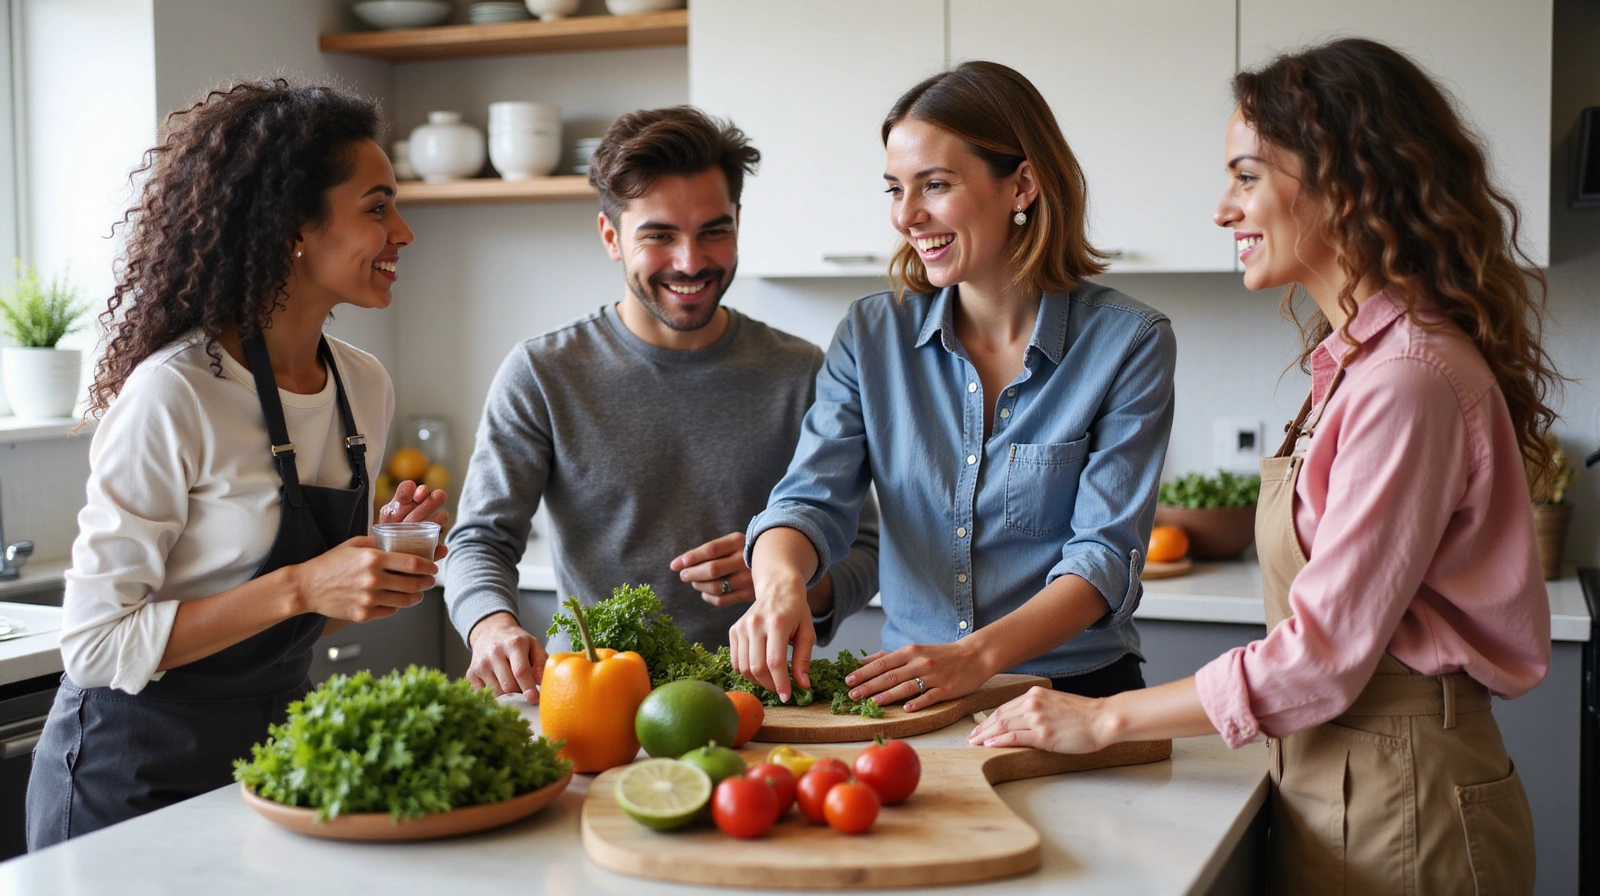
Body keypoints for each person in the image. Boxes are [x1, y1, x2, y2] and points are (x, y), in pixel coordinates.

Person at [970, 39, 1552, 894]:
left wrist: (1101, 720)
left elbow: (1319, 657)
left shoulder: (1407, 383)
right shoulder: (1355, 364)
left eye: (1247, 176)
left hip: (1405, 797)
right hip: (1345, 776)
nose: (1222, 209)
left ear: (1345, 183)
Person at [26, 79, 449, 848]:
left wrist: (370, 569)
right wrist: (304, 584)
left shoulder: (364, 387)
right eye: (378, 207)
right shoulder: (174, 394)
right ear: (294, 224)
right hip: (127, 779)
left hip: (267, 761)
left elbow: (288, 622)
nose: (405, 233)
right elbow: (91, 647)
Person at [731, 61, 1176, 708]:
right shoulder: (870, 334)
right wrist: (778, 586)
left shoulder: (1128, 341)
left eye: (934, 185)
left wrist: (977, 658)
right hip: (917, 696)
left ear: (1021, 185)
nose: (906, 215)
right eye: (893, 189)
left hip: (1075, 696)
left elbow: (1103, 558)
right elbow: (809, 501)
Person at [444, 106, 878, 699]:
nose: (690, 261)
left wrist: (786, 581)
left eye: (713, 231)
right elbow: (479, 542)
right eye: (659, 235)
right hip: (594, 698)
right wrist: (491, 626)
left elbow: (867, 547)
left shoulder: (799, 371)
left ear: (739, 223)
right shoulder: (543, 373)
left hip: (753, 699)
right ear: (610, 237)